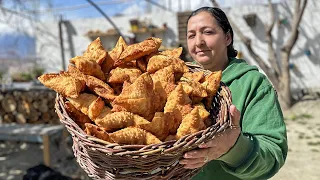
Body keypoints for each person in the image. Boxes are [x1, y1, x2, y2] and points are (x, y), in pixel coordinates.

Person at [179, 7, 288, 179]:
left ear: (227, 37)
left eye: (208, 32)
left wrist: (234, 149)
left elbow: (274, 154)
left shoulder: (253, 84)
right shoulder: (177, 81)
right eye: (191, 35)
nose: (198, 42)